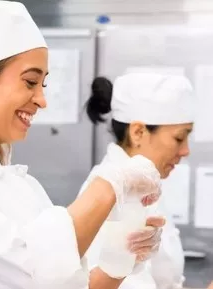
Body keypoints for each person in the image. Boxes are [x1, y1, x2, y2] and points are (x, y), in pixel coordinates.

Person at [0, 1, 164, 289]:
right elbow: (37, 277)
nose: (41, 100)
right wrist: (110, 183)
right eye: (30, 82)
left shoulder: (23, 187)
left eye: (43, 85)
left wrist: (118, 261)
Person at [80, 73, 195, 289]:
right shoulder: (111, 195)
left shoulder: (141, 187)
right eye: (179, 138)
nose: (185, 150)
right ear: (138, 132)